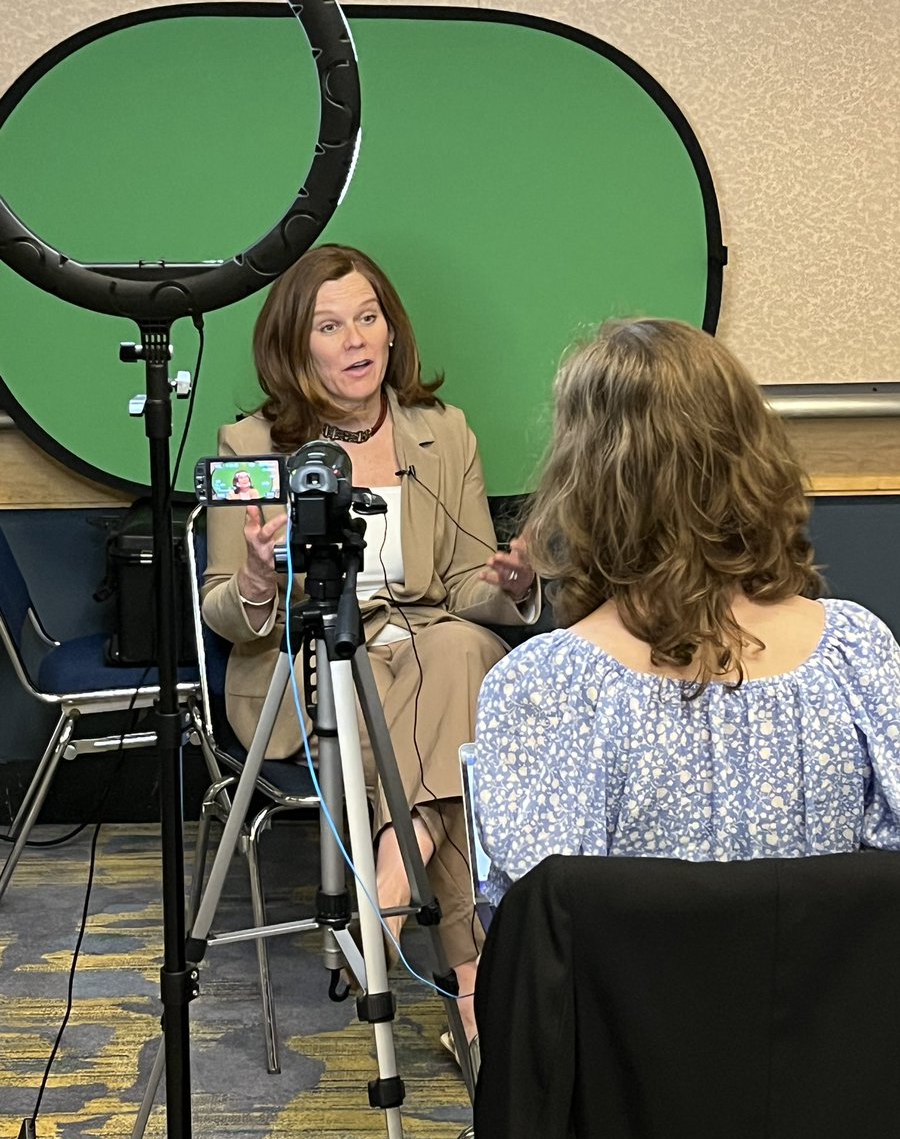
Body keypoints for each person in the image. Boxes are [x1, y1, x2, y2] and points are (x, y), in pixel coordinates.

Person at [201, 243, 538, 1043]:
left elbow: (465, 586)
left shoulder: (443, 432)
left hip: (425, 647)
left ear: (392, 331)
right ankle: (471, 988)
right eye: (329, 325)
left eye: (367, 317)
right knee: (449, 717)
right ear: (294, 345)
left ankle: (385, 898)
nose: (354, 340)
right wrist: (257, 576)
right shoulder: (251, 444)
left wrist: (516, 586)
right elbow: (222, 610)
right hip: (307, 663)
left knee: (459, 649)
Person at [474, 317, 900, 905]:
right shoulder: (859, 655)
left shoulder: (543, 686)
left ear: (584, 479)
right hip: (833, 997)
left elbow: (531, 930)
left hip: (629, 999)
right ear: (752, 453)